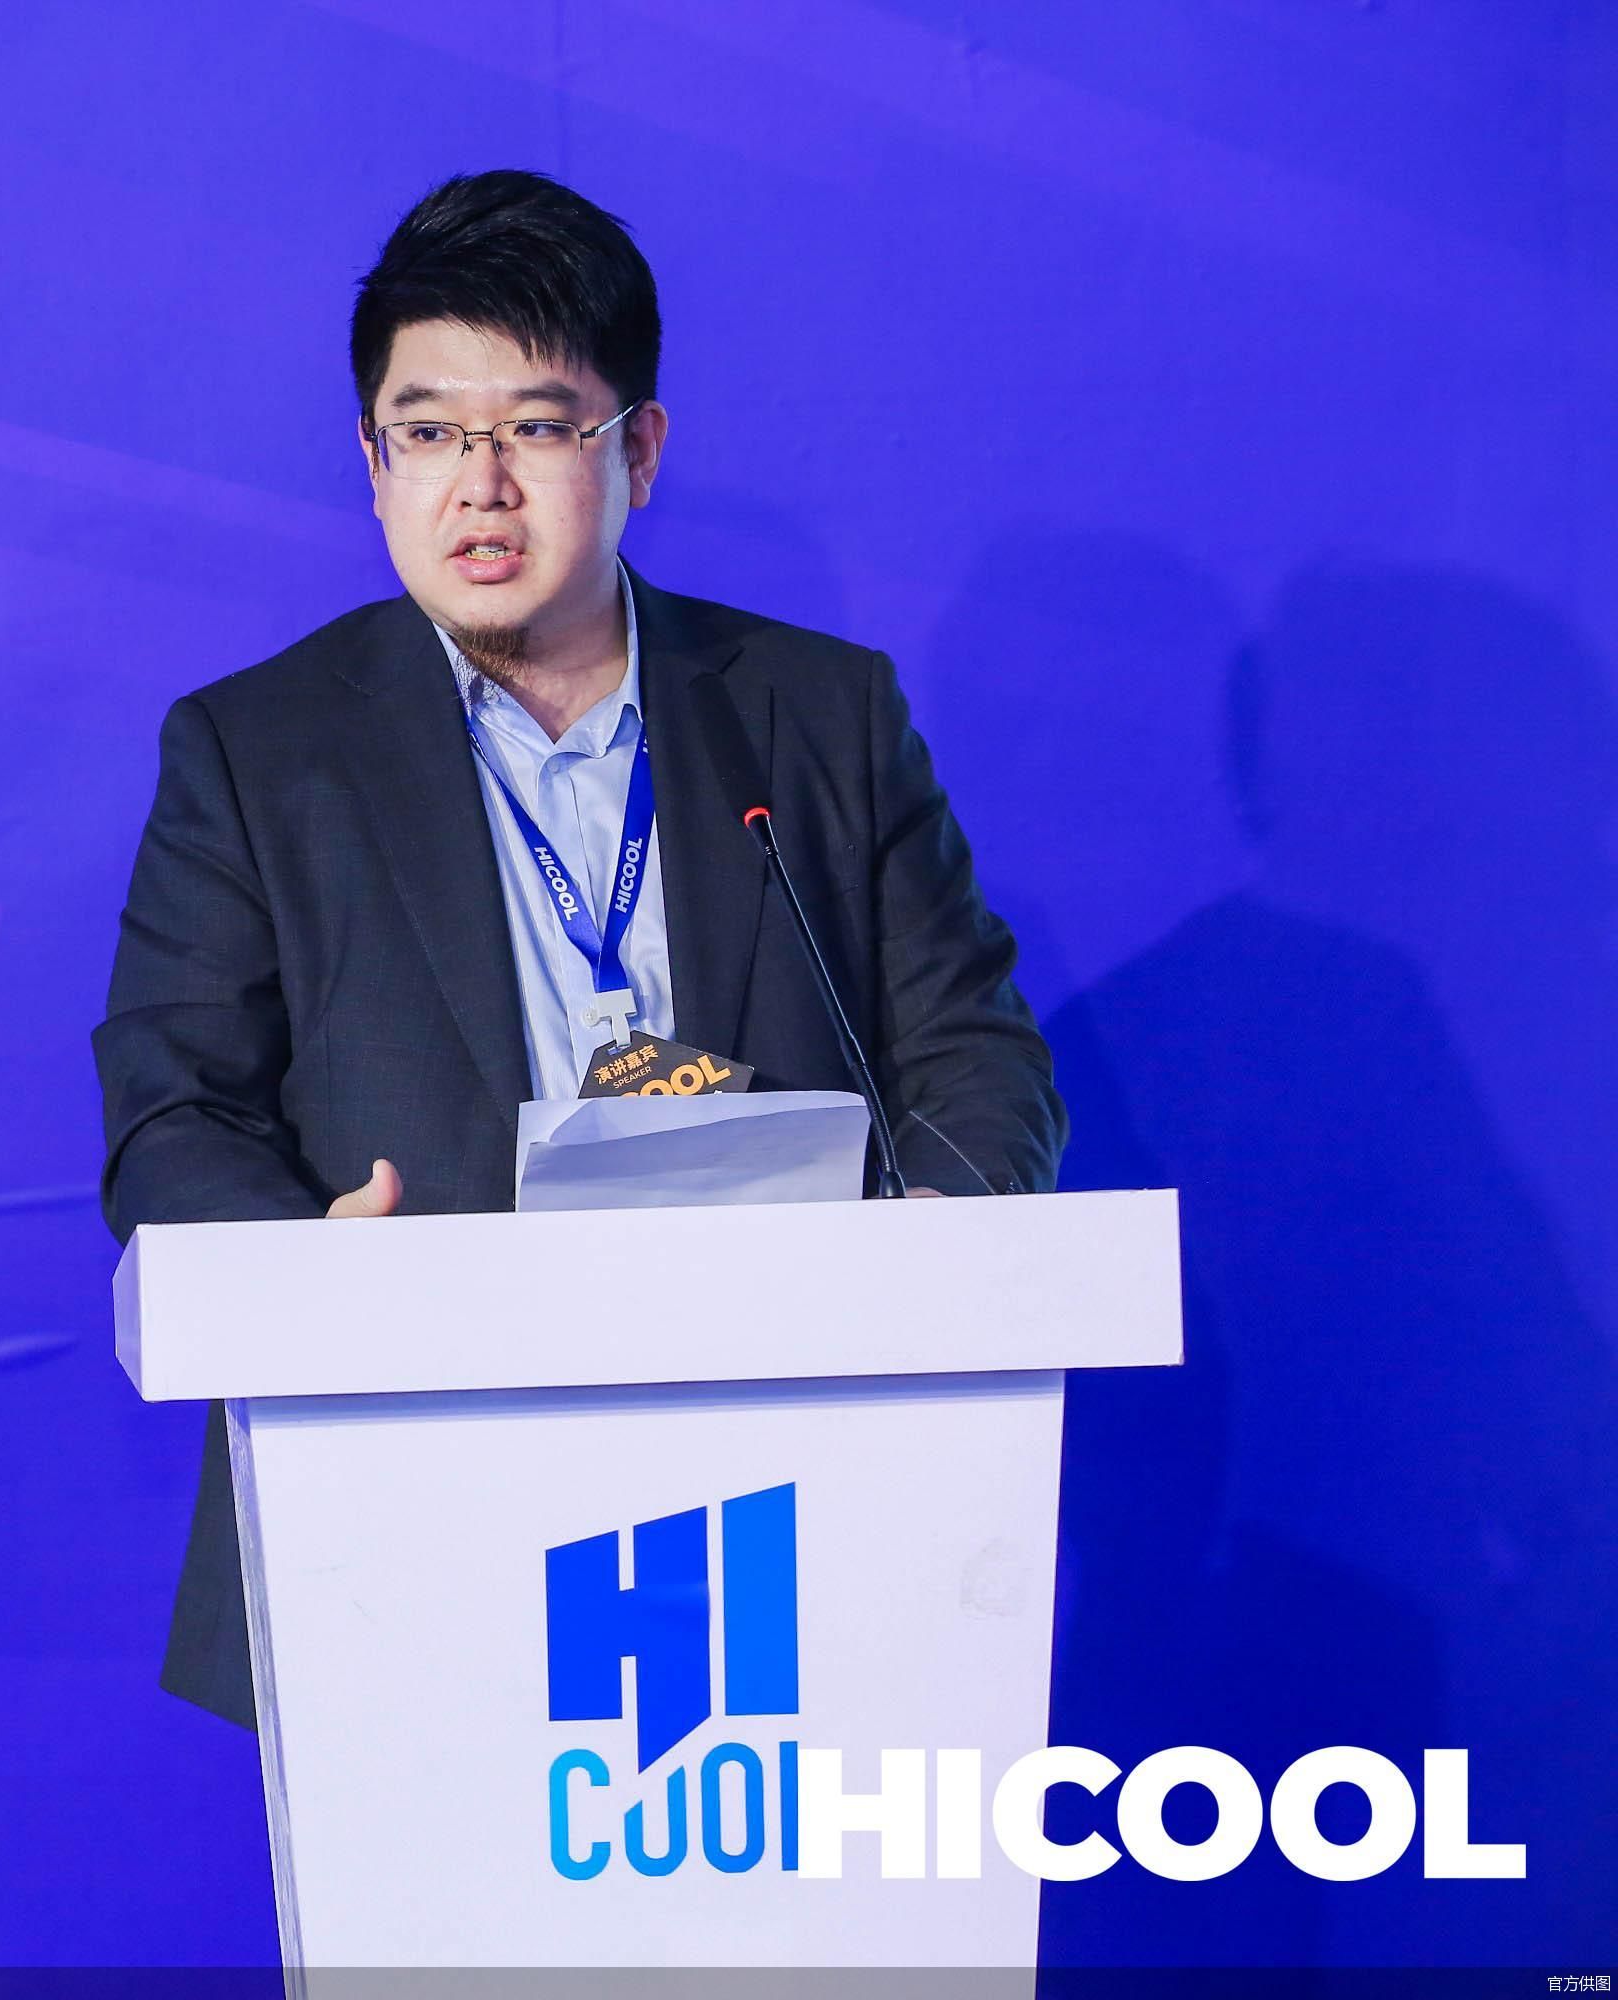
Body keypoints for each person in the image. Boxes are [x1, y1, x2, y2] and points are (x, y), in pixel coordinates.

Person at [91, 170, 1066, 1729]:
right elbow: (171, 1115)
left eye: (538, 428)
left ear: (640, 449)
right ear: (373, 463)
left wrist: (927, 1244)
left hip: (802, 1460)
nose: (480, 487)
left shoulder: (819, 715)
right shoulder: (258, 752)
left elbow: (974, 1050)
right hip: (405, 1490)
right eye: (427, 433)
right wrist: (313, 1275)